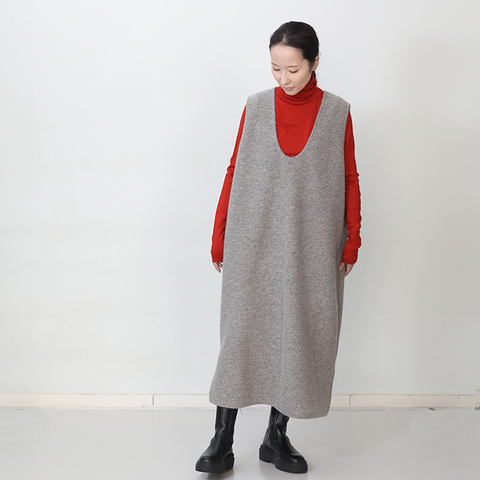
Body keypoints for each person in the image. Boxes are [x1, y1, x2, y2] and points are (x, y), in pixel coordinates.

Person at [196, 21, 361, 475]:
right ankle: (222, 440)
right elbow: (235, 168)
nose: (283, 78)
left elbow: (349, 177)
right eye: (275, 68)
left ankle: (276, 435)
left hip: (312, 242)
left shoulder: (337, 113)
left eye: (292, 69)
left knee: (299, 334)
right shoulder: (255, 107)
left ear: (314, 63)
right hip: (253, 237)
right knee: (241, 334)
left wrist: (352, 238)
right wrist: (220, 233)